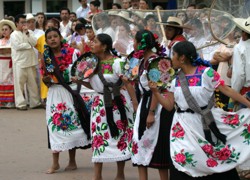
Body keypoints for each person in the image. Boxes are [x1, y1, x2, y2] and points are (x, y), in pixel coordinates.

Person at [149, 41, 250, 180]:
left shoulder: (206, 73)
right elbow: (169, 106)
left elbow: (226, 89)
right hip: (183, 126)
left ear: (182, 57)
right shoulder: (173, 78)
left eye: (174, 55)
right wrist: (155, 92)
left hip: (205, 122)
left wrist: (248, 104)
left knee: (213, 157)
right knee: (183, 158)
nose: (171, 58)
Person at [72, 33, 134, 180]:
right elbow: (95, 86)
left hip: (118, 103)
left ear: (105, 46)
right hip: (99, 104)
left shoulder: (118, 62)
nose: (91, 44)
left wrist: (135, 104)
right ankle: (97, 175)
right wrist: (80, 82)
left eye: (95, 42)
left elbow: (128, 83)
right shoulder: (91, 64)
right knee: (98, 137)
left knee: (119, 136)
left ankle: (120, 174)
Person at [42, 27, 91, 174]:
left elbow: (81, 73)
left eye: (55, 36)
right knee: (54, 127)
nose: (52, 39)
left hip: (71, 92)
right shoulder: (46, 57)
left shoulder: (72, 53)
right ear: (46, 41)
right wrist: (46, 80)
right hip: (55, 93)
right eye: (49, 37)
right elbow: (46, 78)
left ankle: (72, 161)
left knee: (72, 125)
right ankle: (55, 163)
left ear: (60, 37)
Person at [130, 29, 174, 180]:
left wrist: (151, 112)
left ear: (141, 43)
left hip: (156, 105)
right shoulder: (143, 60)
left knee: (159, 143)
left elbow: (158, 88)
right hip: (146, 102)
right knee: (140, 140)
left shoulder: (154, 62)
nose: (133, 43)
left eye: (134, 41)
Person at [10, 14, 41, 110]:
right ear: (17, 23)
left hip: (31, 61)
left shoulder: (29, 32)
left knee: (33, 84)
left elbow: (35, 43)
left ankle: (34, 103)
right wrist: (29, 45)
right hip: (19, 62)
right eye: (22, 22)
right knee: (19, 85)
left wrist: (27, 34)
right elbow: (17, 46)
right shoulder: (13, 35)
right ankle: (20, 104)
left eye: (25, 22)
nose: (24, 24)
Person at [0, 19, 16, 108]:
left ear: (10, 30)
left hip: (10, 62)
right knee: (1, 80)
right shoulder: (0, 41)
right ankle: (2, 101)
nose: (4, 31)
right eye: (3, 30)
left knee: (10, 80)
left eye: (6, 29)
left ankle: (10, 101)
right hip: (1, 63)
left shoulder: (13, 40)